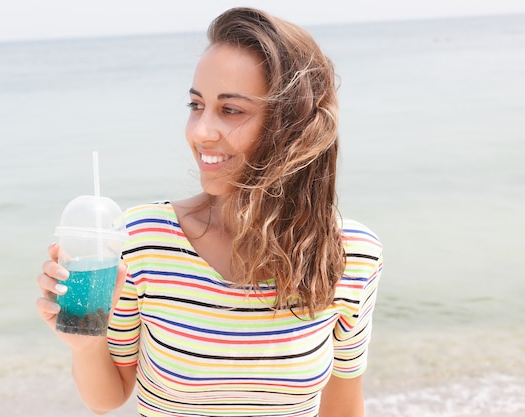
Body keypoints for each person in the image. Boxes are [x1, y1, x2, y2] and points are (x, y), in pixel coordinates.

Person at [36, 7, 383, 417]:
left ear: (291, 127)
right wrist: (86, 341)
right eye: (196, 105)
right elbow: (107, 398)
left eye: (231, 110)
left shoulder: (351, 255)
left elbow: (342, 408)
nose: (201, 131)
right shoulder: (141, 239)